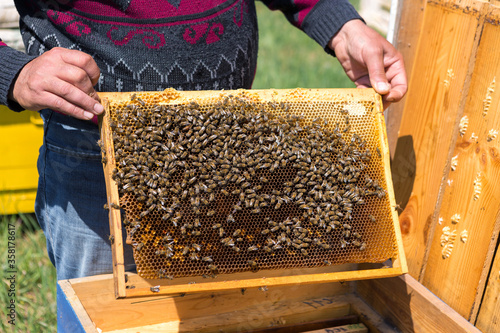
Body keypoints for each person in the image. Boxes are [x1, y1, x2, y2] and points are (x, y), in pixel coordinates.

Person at [0, 0, 407, 281]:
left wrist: (340, 23)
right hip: (95, 145)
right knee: (105, 314)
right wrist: (13, 72)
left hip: (230, 146)